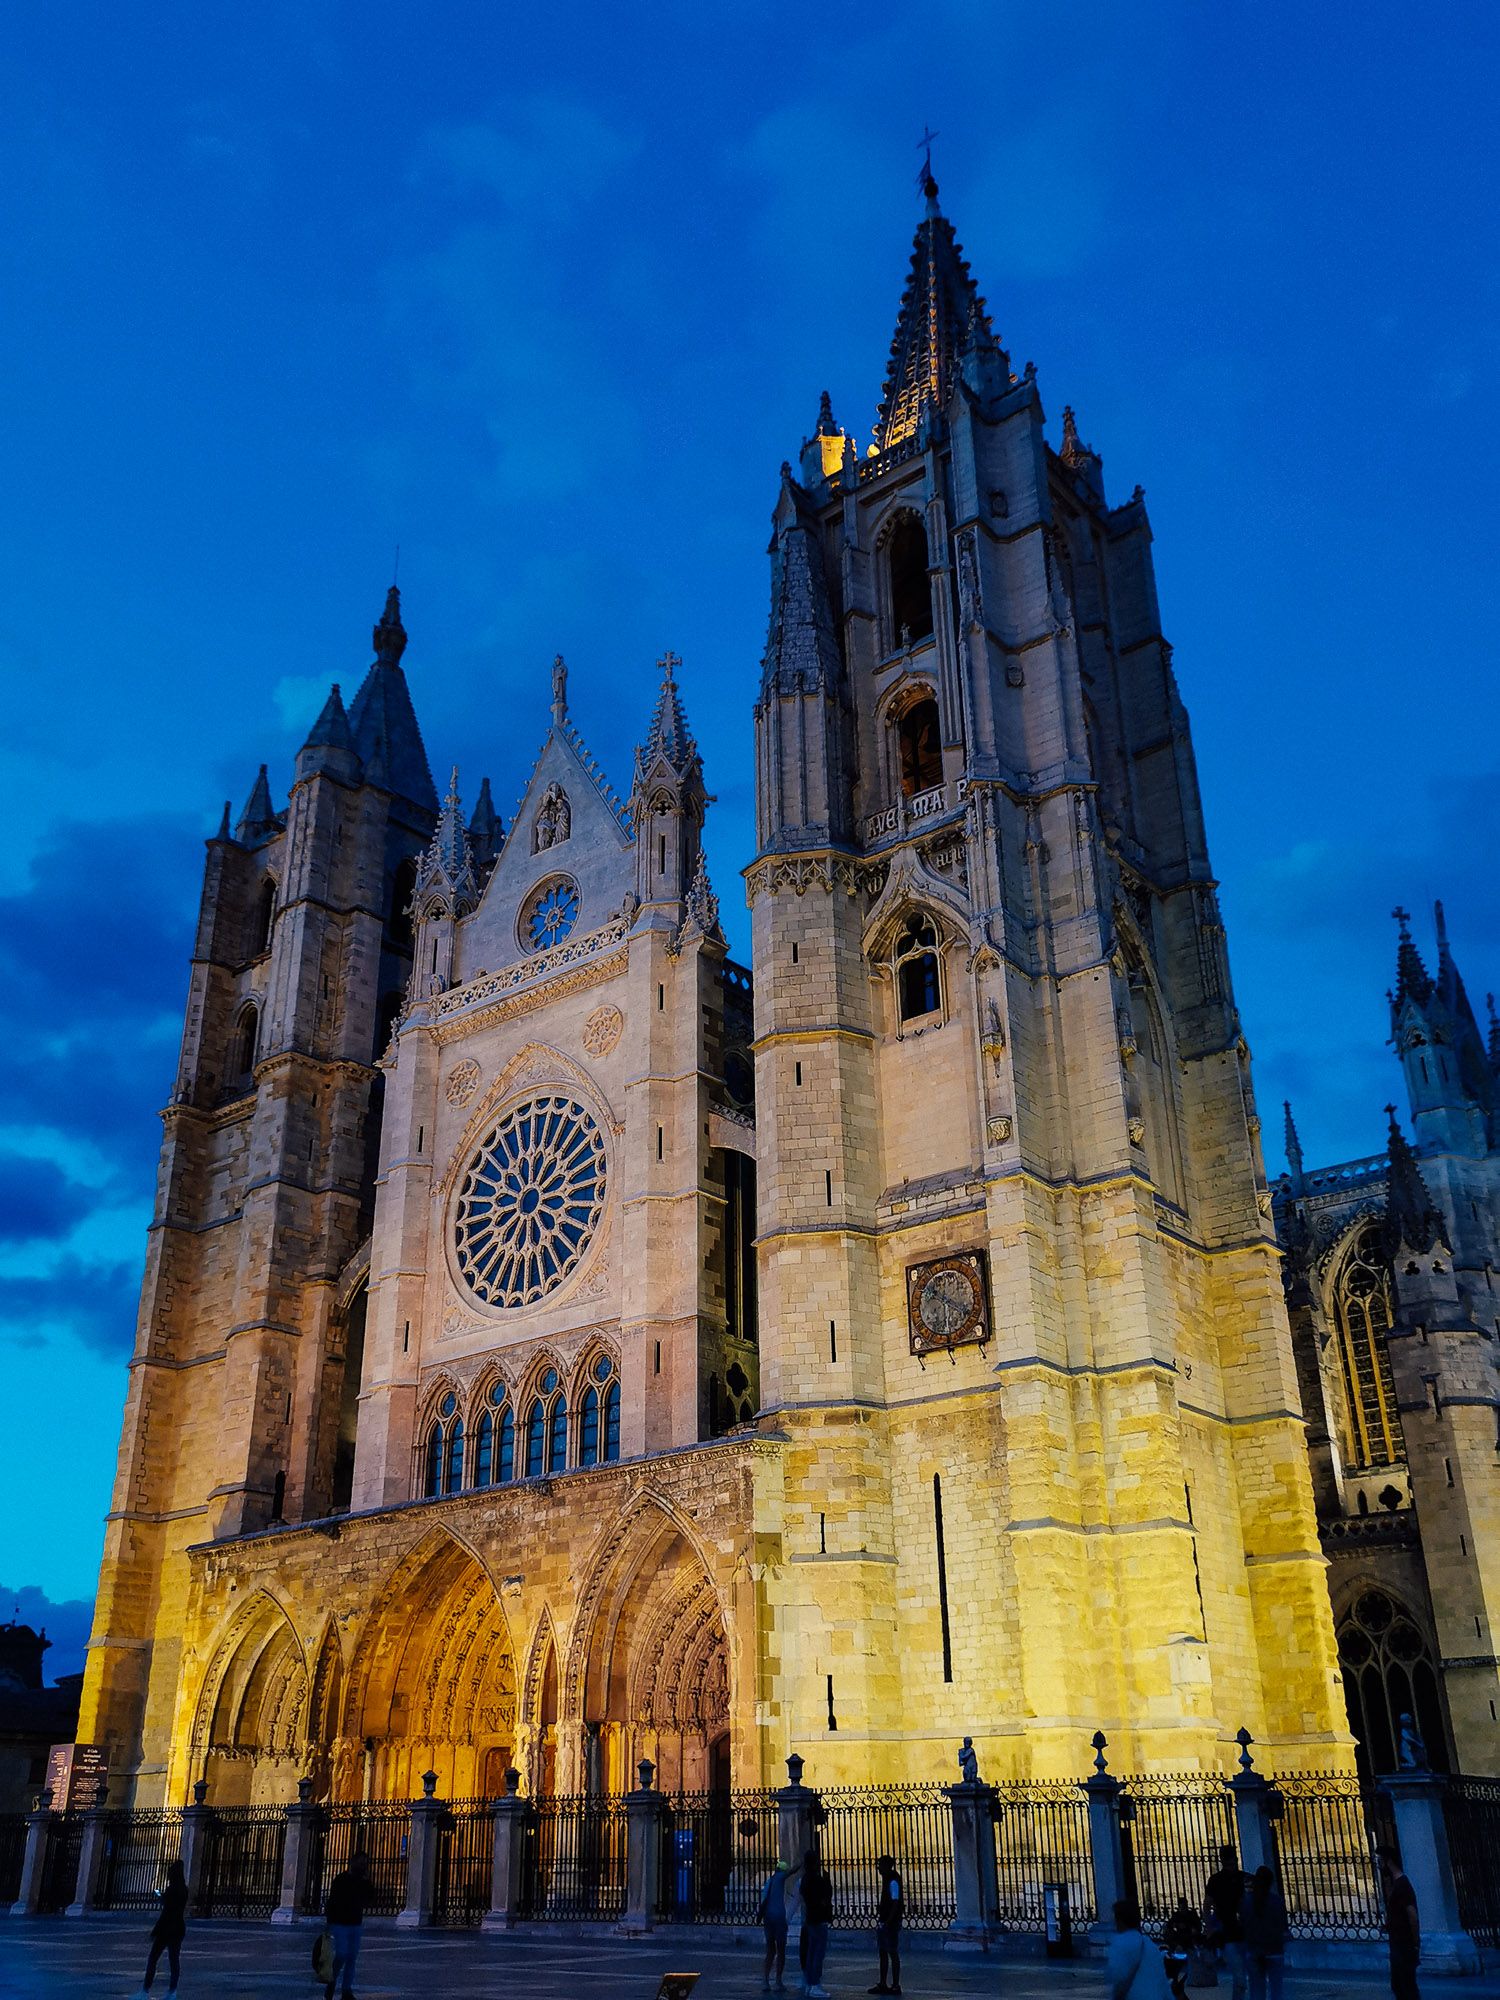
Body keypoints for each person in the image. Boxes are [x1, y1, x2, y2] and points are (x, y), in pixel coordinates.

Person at [323, 1848, 370, 2000]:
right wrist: (330, 1922)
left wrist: (366, 1881)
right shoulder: (340, 1879)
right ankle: (332, 1980)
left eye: (365, 1863)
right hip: (340, 1923)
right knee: (342, 1954)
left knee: (352, 1957)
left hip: (355, 1923)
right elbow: (333, 1901)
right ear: (353, 1862)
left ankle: (346, 1990)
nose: (363, 1866)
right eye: (361, 1863)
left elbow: (370, 1898)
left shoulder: (362, 1881)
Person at [137, 1857, 188, 1997]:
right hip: (178, 1928)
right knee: (174, 1960)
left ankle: (145, 1990)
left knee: (153, 1959)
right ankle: (172, 1991)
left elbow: (166, 1911)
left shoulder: (172, 1889)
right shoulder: (184, 1889)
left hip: (166, 1929)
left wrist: (155, 1932)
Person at [1204, 1843, 1248, 2000]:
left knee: (1242, 1977)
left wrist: (1209, 1927)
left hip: (1239, 1932)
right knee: (1241, 1977)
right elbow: (1207, 1905)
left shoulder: (1242, 1879)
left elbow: (1207, 1905)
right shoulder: (1220, 1880)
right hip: (1230, 1934)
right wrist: (1209, 1927)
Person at [1378, 1848, 1422, 2000]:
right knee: (1399, 1986)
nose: (1380, 1865)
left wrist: (1415, 1944)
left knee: (1405, 1987)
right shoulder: (1397, 1885)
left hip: (1403, 1945)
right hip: (1399, 1944)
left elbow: (1413, 1916)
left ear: (1388, 1861)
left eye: (1381, 1861)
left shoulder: (1402, 1885)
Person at [1107, 1899, 1173, 1999]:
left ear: (1119, 1920)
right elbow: (1162, 1980)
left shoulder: (1119, 1943)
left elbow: (1117, 1978)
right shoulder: (1148, 1943)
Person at [1242, 1865, 1287, 2000]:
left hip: (1254, 1950)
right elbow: (1282, 1926)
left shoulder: (1247, 1902)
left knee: (1256, 1990)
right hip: (1274, 1950)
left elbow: (1244, 1925)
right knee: (1276, 1990)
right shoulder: (1277, 1901)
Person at [758, 1858, 801, 1993]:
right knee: (781, 1951)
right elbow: (792, 1871)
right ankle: (778, 1981)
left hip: (768, 1919)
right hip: (778, 1919)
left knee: (770, 1951)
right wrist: (801, 1863)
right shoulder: (780, 1878)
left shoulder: (769, 1881)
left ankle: (765, 1980)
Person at [800, 1847, 834, 2000]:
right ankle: (815, 1985)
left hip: (810, 1919)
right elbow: (824, 1899)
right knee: (818, 1954)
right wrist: (827, 1884)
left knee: (811, 1953)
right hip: (819, 1919)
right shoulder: (817, 1880)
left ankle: (809, 1984)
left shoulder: (805, 1879)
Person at [869, 1854, 903, 1995]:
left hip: (890, 1922)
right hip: (885, 1920)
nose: (878, 1868)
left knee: (892, 1952)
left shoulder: (893, 1880)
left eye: (880, 1865)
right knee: (883, 1952)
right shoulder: (888, 1879)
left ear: (886, 1866)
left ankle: (895, 1985)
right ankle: (883, 1983)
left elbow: (895, 1902)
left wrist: (888, 1921)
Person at [1162, 1895, 1201, 2000]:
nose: (1182, 1908)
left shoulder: (1192, 1915)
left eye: (1184, 1906)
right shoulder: (1176, 1917)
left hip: (1190, 1942)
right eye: (1181, 1906)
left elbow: (1197, 1928)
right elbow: (1169, 1931)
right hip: (1179, 1944)